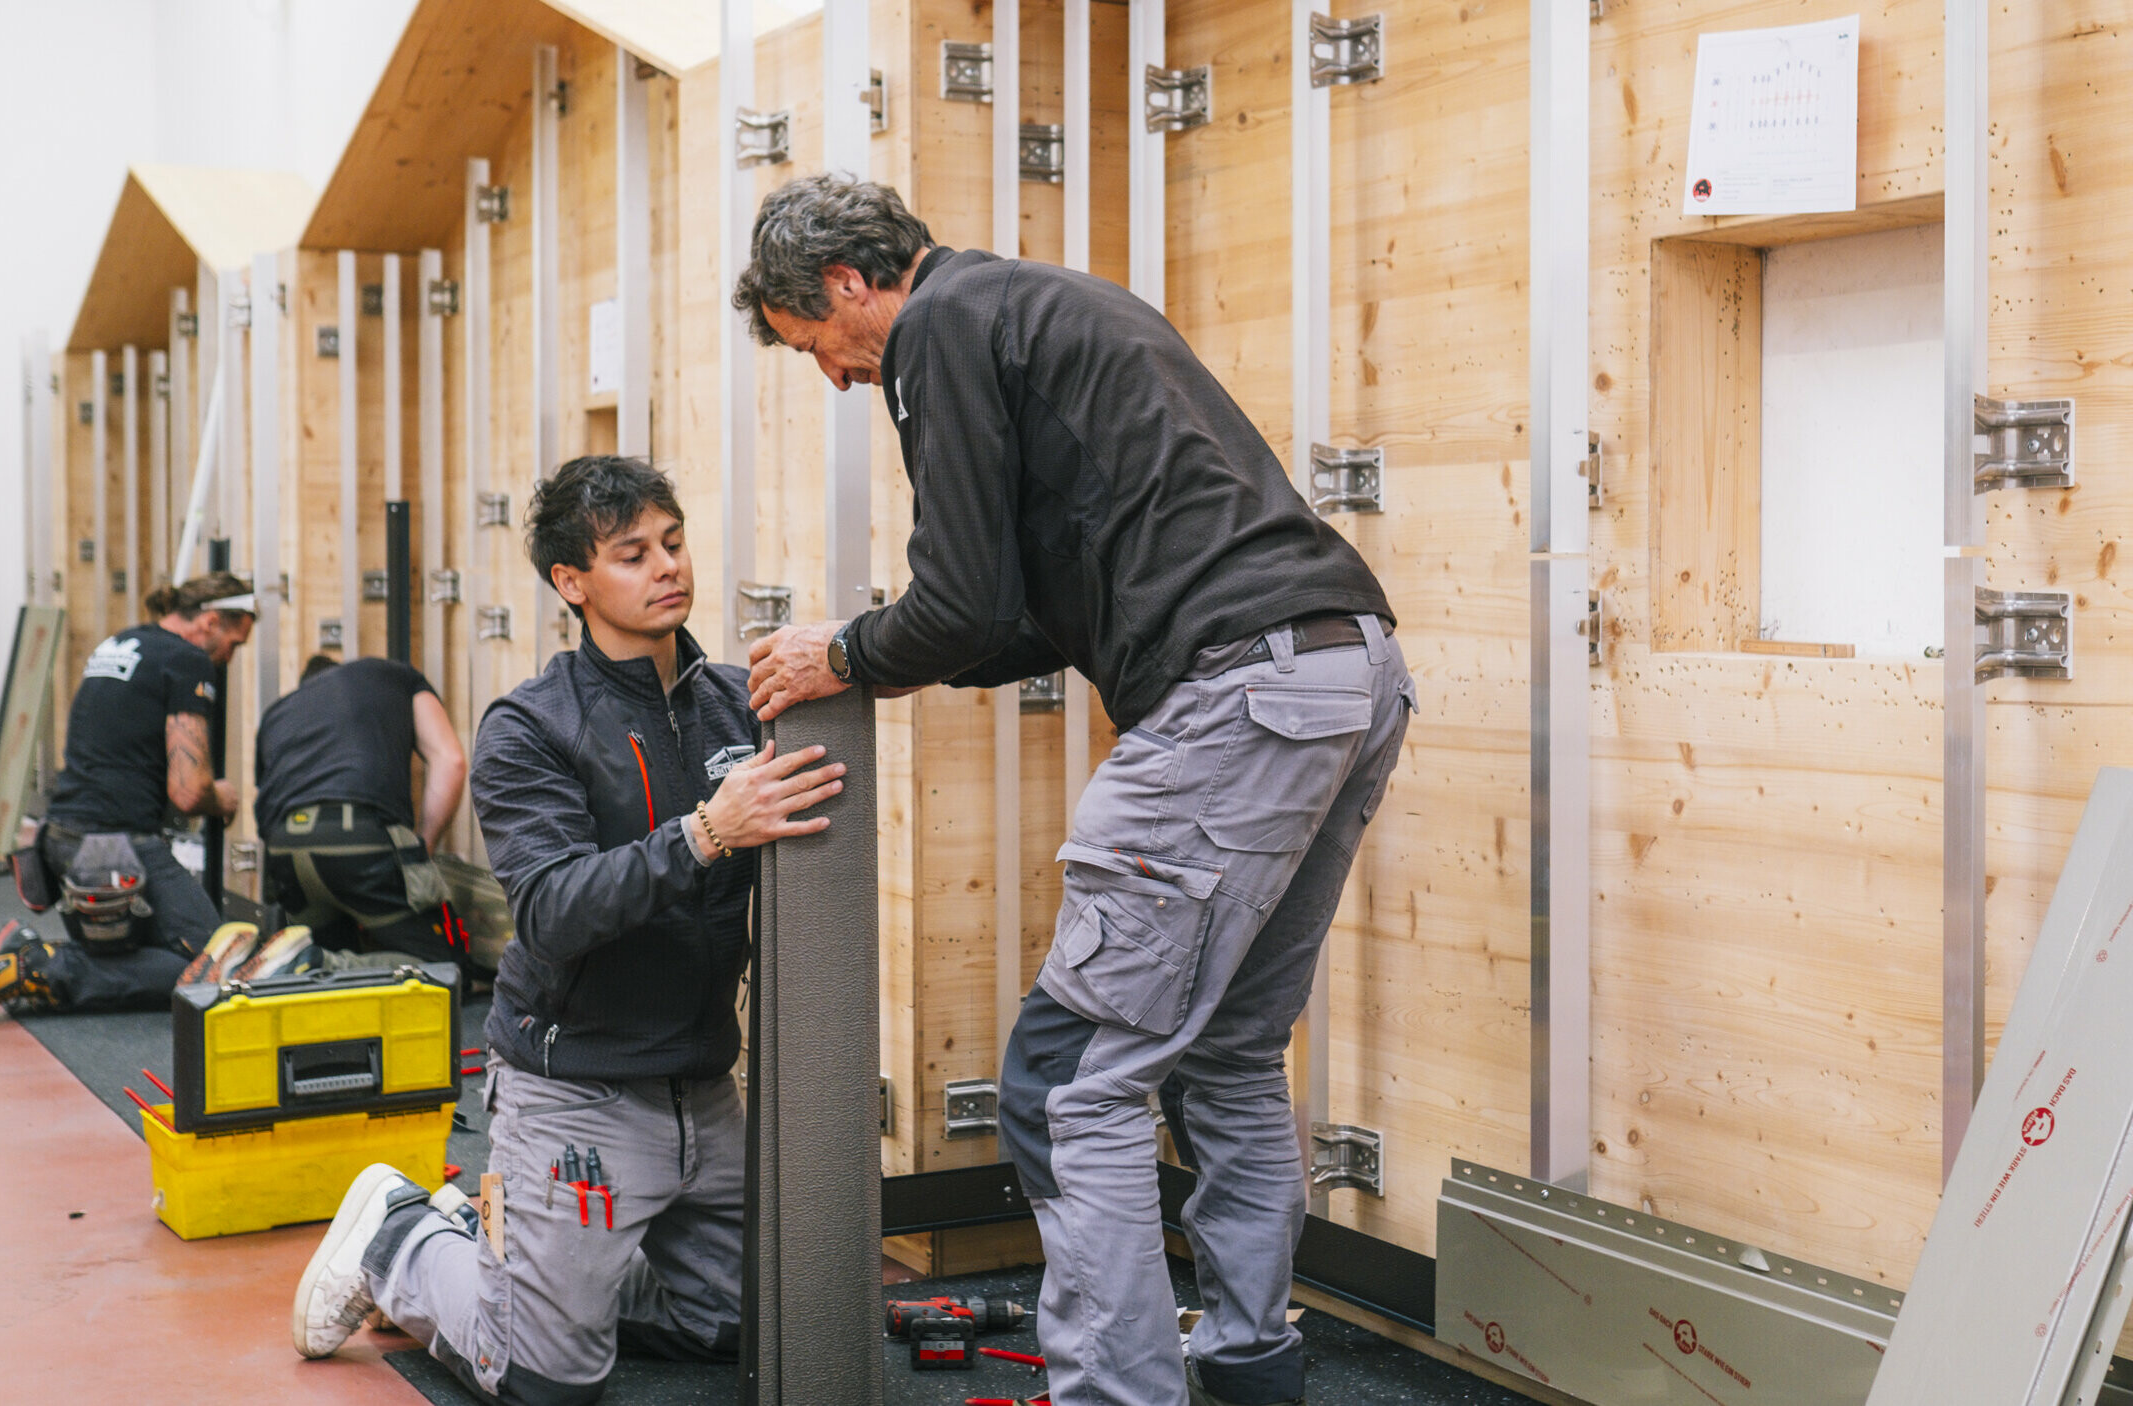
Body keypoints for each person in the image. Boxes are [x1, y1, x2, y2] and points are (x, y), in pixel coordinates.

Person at [737, 175, 1412, 1406]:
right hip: (1348, 666)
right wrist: (894, 650)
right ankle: (1250, 1363)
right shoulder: (1038, 303)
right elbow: (1024, 609)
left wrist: (838, 654)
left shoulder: (934, 332)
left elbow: (954, 604)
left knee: (1065, 1078)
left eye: (814, 348)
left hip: (1234, 691)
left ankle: (1120, 1392)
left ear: (845, 287)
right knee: (1230, 1053)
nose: (830, 377)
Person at [291, 455, 848, 1403]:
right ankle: (403, 1235)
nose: (667, 566)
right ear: (571, 583)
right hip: (576, 1087)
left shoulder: (731, 703)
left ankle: (541, 1264)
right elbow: (550, 912)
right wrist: (710, 832)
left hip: (701, 1087)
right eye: (633, 555)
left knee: (753, 1327)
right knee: (549, 1379)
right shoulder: (533, 727)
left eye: (672, 544)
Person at [0, 573, 259, 1025]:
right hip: (115, 849)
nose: (229, 657)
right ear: (209, 622)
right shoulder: (188, 660)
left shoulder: (121, 643)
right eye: (235, 642)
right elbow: (188, 791)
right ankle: (35, 967)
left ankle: (46, 965)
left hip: (61, 842)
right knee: (218, 969)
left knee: (152, 956)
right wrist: (221, 798)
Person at [252, 653, 469, 967]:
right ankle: (325, 965)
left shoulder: (277, 712)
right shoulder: (393, 676)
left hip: (285, 848)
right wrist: (423, 848)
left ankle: (307, 963)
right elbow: (451, 761)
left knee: (326, 974)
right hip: (358, 836)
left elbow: (267, 800)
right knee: (445, 970)